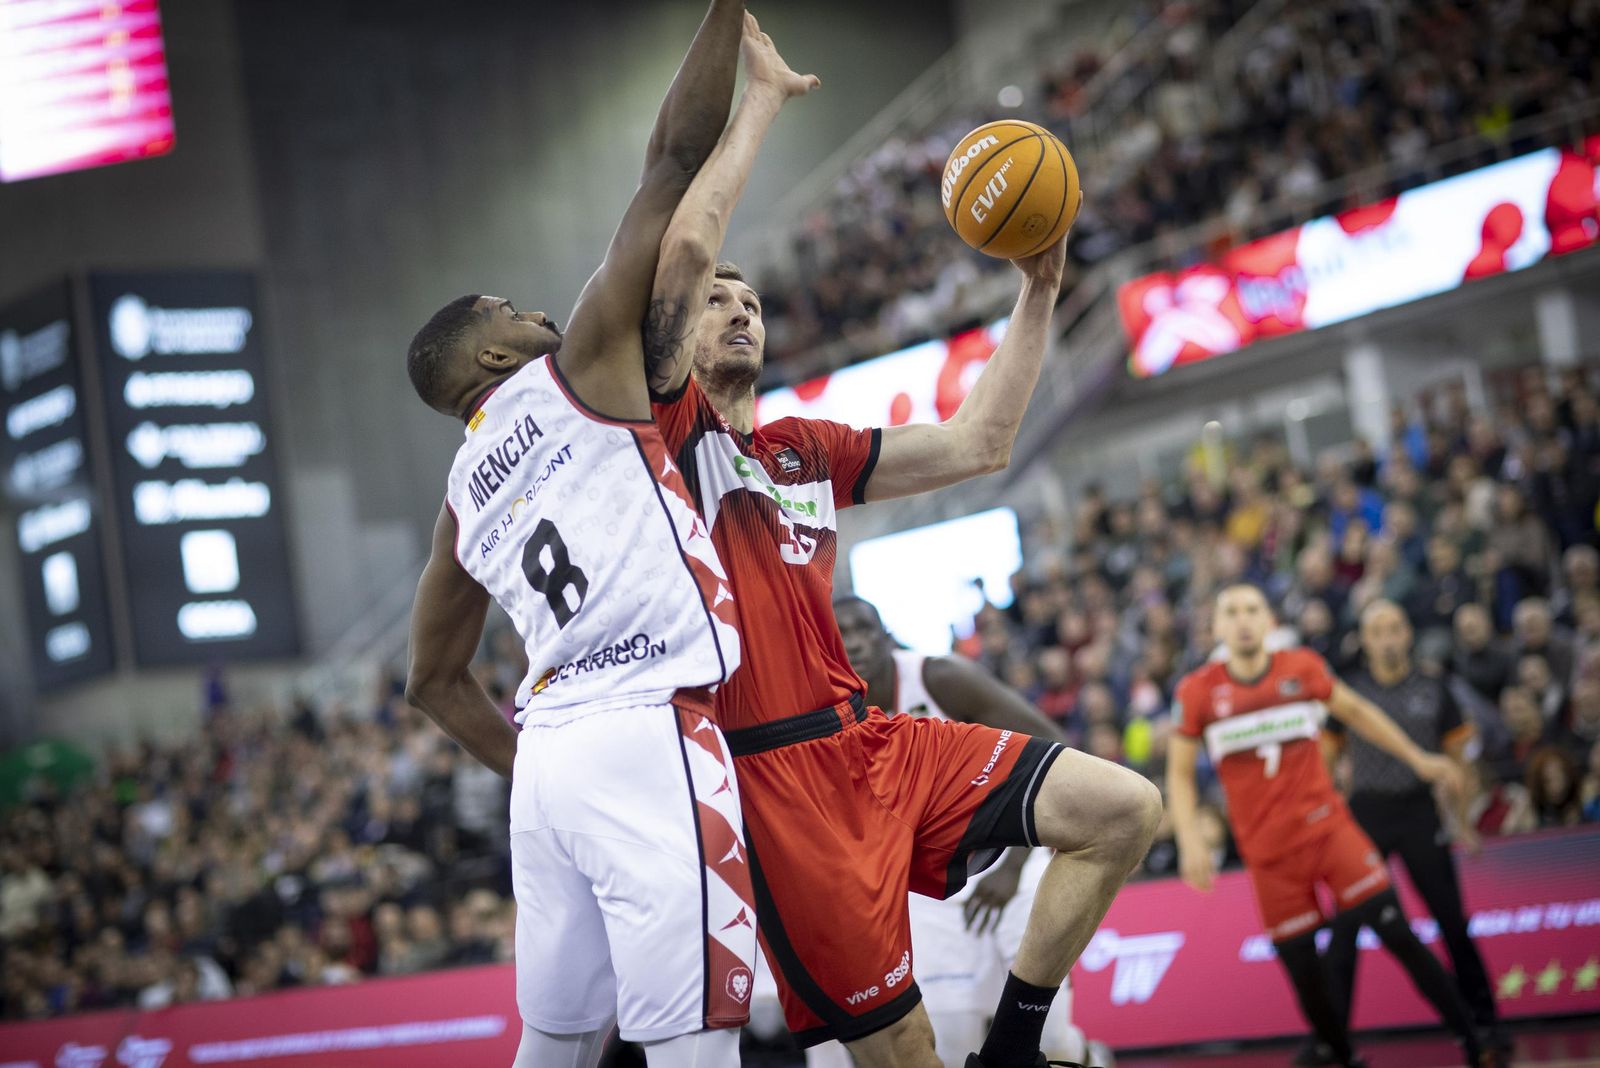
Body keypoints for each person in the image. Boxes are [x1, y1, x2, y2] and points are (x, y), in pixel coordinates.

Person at [643, 81, 1158, 1068]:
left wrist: (1039, 290)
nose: (740, 309)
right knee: (906, 1051)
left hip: (874, 744)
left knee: (1120, 810)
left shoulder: (802, 449)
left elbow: (980, 442)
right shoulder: (673, 437)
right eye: (717, 301)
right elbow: (683, 250)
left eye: (752, 303)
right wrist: (758, 104)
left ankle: (1013, 1051)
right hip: (775, 780)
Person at [403, 4, 763, 1063]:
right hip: (647, 723)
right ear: (488, 357)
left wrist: (533, 768)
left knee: (553, 1047)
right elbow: (673, 160)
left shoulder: (461, 498)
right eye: (511, 309)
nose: (537, 315)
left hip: (552, 759)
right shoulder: (578, 374)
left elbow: (431, 681)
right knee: (695, 1039)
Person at [1167, 584, 1500, 1068]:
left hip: (1329, 832)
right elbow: (1179, 774)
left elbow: (1359, 713)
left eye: (1252, 609)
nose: (1242, 620)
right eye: (1231, 612)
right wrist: (1190, 840)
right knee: (1304, 971)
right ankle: (1342, 1056)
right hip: (1268, 856)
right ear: (1216, 626)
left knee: (1397, 933)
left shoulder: (1301, 667)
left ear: (1269, 621)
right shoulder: (1197, 691)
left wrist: (1419, 758)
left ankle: (1474, 1041)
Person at [830, 595, 1106, 1068]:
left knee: (1052, 1037)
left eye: (863, 630)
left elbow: (1053, 750)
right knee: (950, 1040)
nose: (853, 642)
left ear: (887, 637)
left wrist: (1013, 866)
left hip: (1008, 862)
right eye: (842, 634)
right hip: (927, 887)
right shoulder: (828, 712)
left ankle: (1091, 1056)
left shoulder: (940, 677)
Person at [1319, 600, 1509, 1061]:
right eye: (1377, 631)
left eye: (1395, 628)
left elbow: (1459, 760)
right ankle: (1330, 1040)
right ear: (1364, 640)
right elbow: (1324, 756)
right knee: (1345, 928)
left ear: (1407, 634)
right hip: (1365, 814)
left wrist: (1462, 821)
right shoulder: (1349, 691)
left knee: (1451, 918)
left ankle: (1485, 1022)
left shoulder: (1434, 686)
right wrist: (1329, 811)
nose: (1387, 638)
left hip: (1420, 811)